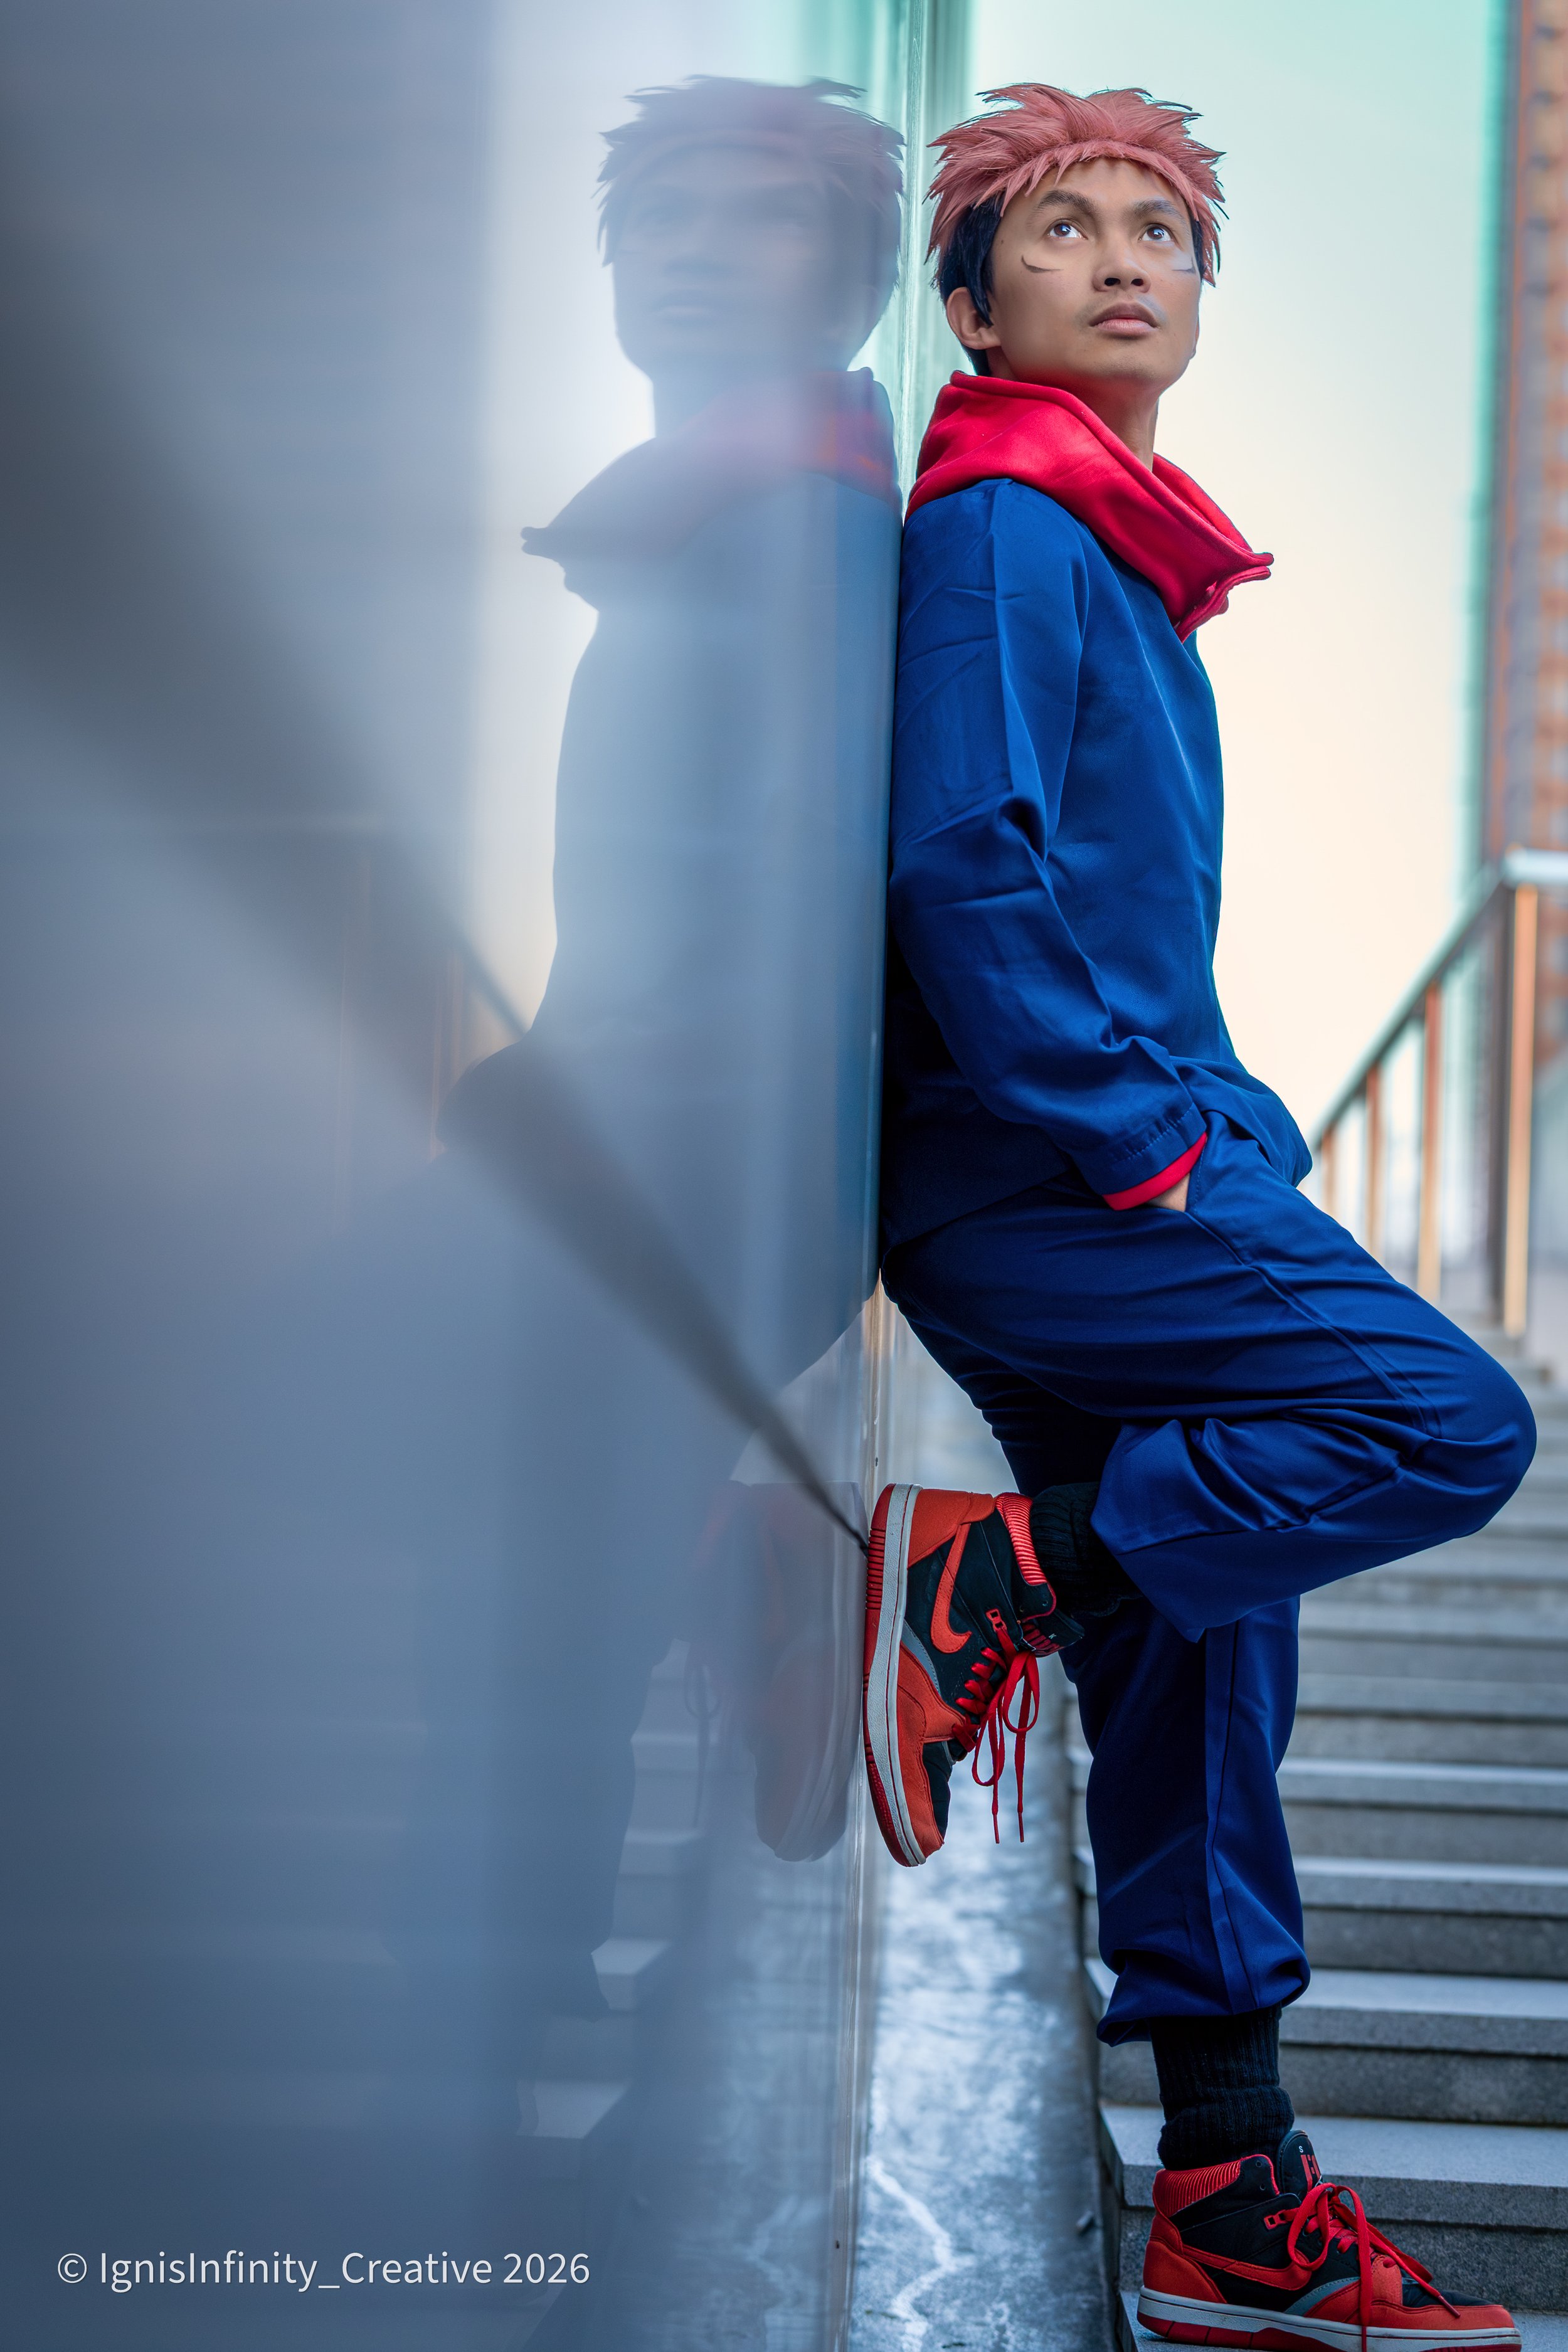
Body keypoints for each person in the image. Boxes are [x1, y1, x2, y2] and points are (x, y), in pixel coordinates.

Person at [861, 82, 1534, 2350]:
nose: (1129, 257)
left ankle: (1229, 2193)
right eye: (1063, 228)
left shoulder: (1111, 547)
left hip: (1123, 1149)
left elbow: (1130, 924)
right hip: (1041, 1175)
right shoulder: (998, 529)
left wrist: (1227, 1119)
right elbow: (964, 862)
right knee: (1448, 1423)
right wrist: (1151, 1146)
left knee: (1209, 1608)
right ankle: (987, 1577)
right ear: (967, 298)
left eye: (1162, 228)